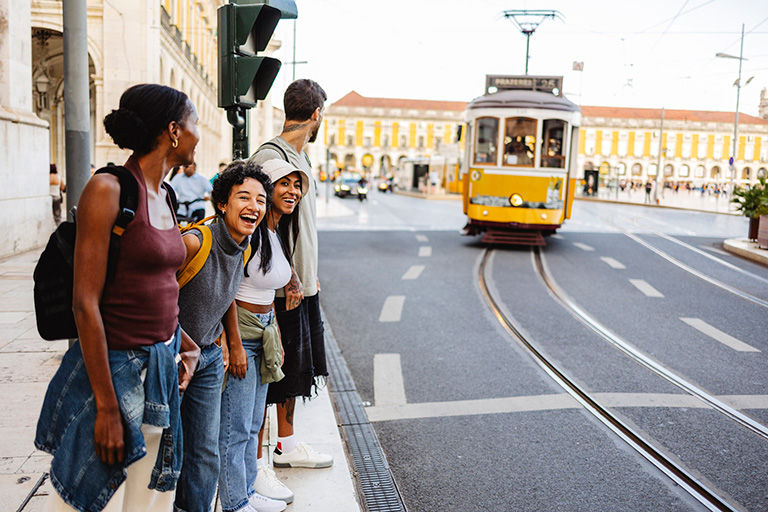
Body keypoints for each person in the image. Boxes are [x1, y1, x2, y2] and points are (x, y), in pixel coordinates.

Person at [35, 83, 201, 511]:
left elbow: (154, 282)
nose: (198, 133)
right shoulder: (109, 189)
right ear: (174, 131)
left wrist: (181, 340)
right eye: (195, 123)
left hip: (161, 367)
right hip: (115, 371)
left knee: (148, 496)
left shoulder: (166, 194)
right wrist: (108, 408)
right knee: (90, 496)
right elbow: (84, 302)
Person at [247, 79, 333, 491]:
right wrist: (293, 275)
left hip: (300, 286)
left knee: (294, 371)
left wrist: (307, 271)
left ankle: (287, 444)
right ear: (317, 115)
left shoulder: (298, 157)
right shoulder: (271, 156)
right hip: (280, 288)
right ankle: (260, 459)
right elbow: (265, 221)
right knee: (272, 373)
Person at [218, 159, 310, 512]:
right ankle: (235, 502)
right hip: (243, 331)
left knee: (254, 422)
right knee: (236, 428)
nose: (292, 191)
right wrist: (234, 343)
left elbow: (267, 282)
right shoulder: (250, 231)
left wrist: (292, 283)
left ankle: (245, 492)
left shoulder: (271, 230)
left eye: (296, 185)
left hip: (264, 332)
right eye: (282, 184)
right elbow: (228, 288)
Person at [175, 160, 267, 512]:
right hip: (175, 357)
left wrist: (233, 343)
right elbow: (152, 291)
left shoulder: (243, 244)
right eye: (244, 197)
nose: (254, 207)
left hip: (210, 359)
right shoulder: (196, 242)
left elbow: (227, 294)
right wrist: (180, 344)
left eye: (260, 200)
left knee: (205, 450)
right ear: (222, 203)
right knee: (168, 449)